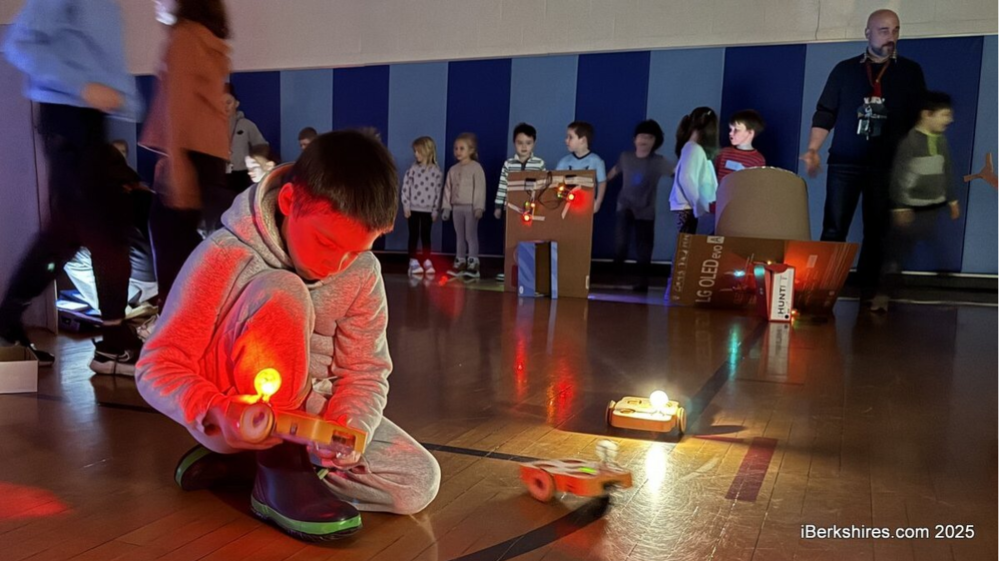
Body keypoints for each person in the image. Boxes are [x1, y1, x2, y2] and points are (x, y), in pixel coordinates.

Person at [135, 131, 440, 541]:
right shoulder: (225, 255)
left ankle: (254, 467)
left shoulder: (363, 273)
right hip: (235, 409)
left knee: (417, 482)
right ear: (289, 202)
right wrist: (214, 410)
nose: (337, 264)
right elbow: (156, 365)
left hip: (308, 422)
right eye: (327, 243)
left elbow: (365, 371)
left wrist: (351, 429)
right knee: (284, 290)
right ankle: (279, 467)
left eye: (356, 251)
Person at [1, 0, 143, 368]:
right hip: (69, 117)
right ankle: (113, 339)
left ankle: (5, 322)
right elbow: (18, 43)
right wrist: (84, 87)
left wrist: (123, 100)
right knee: (107, 233)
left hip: (85, 121)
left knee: (62, 236)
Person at [801, 9, 927, 303]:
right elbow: (825, 112)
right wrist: (812, 149)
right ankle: (822, 291)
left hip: (886, 165)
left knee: (877, 231)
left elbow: (918, 119)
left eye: (895, 30)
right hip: (845, 161)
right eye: (883, 30)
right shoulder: (845, 70)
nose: (891, 37)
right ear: (867, 33)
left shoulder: (910, 71)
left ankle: (869, 293)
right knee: (833, 228)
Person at [141, 0, 231, 325]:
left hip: (190, 152)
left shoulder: (186, 36)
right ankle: (203, 321)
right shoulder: (211, 39)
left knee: (168, 243)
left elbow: (176, 101)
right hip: (208, 155)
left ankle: (176, 329)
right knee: (191, 245)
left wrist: (176, 158)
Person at [875, 92, 960, 312]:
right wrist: (900, 206)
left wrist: (952, 200)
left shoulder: (941, 141)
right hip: (910, 208)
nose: (949, 120)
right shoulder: (910, 143)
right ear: (927, 115)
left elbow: (947, 171)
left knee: (932, 243)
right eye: (944, 115)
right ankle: (882, 295)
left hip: (932, 208)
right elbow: (898, 177)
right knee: (896, 253)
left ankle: (942, 284)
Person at [606, 120, 673, 291]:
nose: (644, 140)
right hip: (625, 205)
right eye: (641, 136)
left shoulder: (659, 161)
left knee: (644, 247)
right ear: (634, 139)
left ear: (655, 141)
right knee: (620, 243)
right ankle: (615, 277)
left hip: (646, 208)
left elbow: (678, 175)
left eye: (649, 137)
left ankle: (643, 282)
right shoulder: (625, 157)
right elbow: (611, 174)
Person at [439, 133, 486, 279]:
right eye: (456, 148)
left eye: (462, 148)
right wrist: (446, 207)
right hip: (457, 208)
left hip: (470, 208)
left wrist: (479, 207)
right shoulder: (453, 170)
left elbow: (479, 188)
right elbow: (447, 188)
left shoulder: (476, 168)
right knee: (459, 235)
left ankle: (473, 262)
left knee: (470, 235)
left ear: (471, 150)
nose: (458, 151)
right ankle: (460, 261)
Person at [669, 107, 720, 234]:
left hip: (689, 209)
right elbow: (686, 178)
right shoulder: (694, 149)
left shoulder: (691, 148)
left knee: (687, 247)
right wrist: (699, 208)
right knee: (688, 247)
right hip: (690, 210)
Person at [402, 136, 443, 276]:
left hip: (427, 210)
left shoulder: (436, 172)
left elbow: (438, 191)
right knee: (413, 235)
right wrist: (406, 205)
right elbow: (405, 188)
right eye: (415, 151)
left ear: (427, 151)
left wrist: (434, 210)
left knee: (426, 235)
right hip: (413, 208)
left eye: (419, 151)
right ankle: (412, 260)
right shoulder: (412, 170)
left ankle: (426, 259)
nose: (416, 154)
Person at [494, 123, 546, 219]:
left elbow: (543, 186)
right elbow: (502, 186)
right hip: (511, 206)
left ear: (534, 143)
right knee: (511, 233)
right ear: (514, 143)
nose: (524, 146)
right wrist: (498, 206)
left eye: (528, 143)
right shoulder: (508, 164)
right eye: (520, 143)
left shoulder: (539, 163)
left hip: (532, 206)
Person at [224, 84, 269, 192]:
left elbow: (261, 145)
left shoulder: (247, 125)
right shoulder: (212, 126)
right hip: (220, 174)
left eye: (228, 103)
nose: (225, 107)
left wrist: (256, 163)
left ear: (236, 103)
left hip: (242, 173)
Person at [555, 121, 607, 212]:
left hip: (587, 206)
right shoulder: (564, 162)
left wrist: (598, 202)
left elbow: (602, 182)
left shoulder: (596, 161)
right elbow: (555, 181)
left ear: (582, 140)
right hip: (565, 206)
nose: (566, 140)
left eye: (570, 137)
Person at [715, 110, 767, 184]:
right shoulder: (723, 153)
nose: (731, 133)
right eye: (731, 129)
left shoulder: (758, 160)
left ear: (750, 133)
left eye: (736, 130)